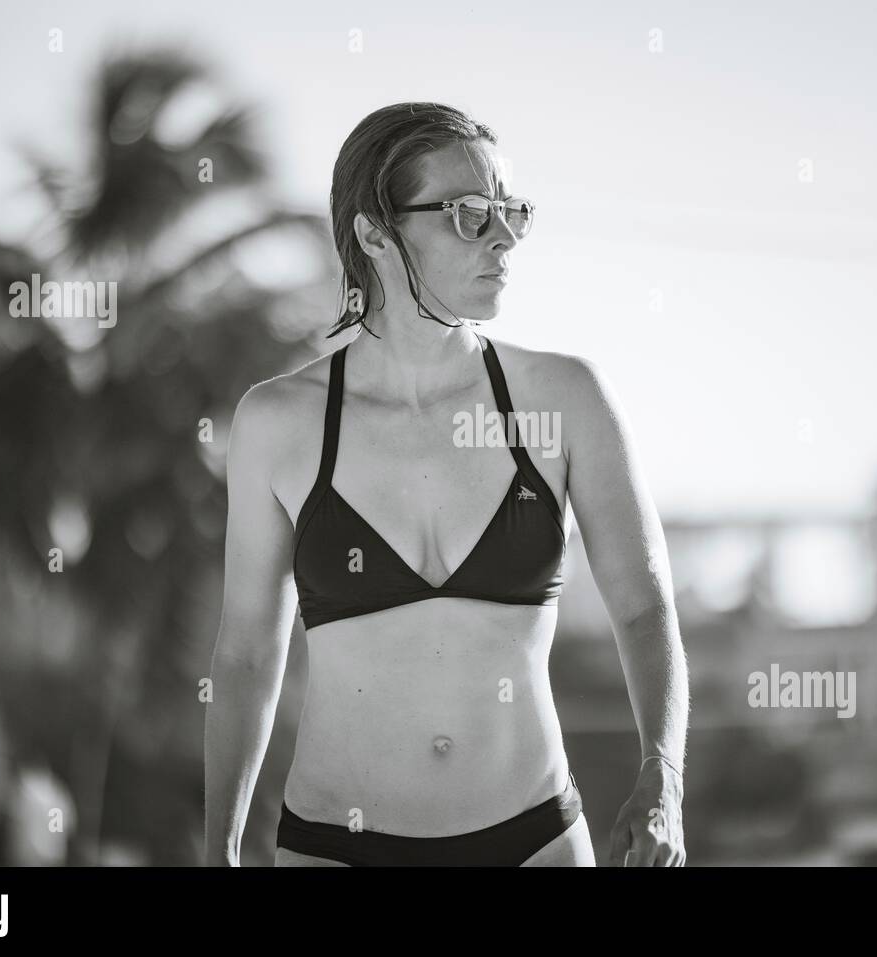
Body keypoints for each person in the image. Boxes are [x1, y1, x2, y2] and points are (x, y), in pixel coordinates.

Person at [204, 102, 688, 866]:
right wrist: (220, 847)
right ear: (374, 234)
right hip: (335, 845)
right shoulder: (279, 423)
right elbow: (244, 655)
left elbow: (643, 605)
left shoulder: (564, 398)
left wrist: (663, 775)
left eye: (511, 211)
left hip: (533, 839)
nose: (504, 237)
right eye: (469, 214)